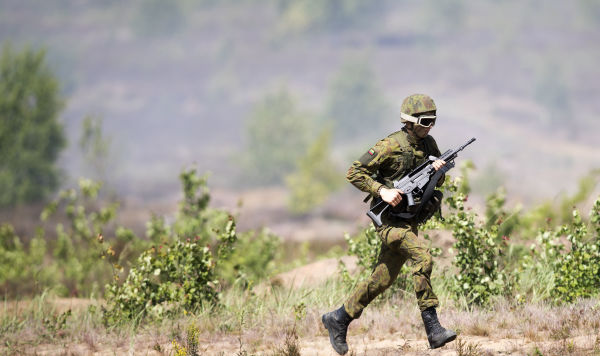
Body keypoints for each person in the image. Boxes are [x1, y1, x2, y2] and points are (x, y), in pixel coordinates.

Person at [322, 94, 456, 355]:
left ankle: (339, 318)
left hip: (408, 220)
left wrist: (438, 172)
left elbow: (433, 185)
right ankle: (434, 329)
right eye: (426, 121)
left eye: (434, 121)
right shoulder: (389, 146)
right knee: (423, 259)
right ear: (409, 121)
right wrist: (381, 190)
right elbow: (354, 172)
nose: (430, 126)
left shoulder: (429, 145)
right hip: (387, 222)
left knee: (382, 279)